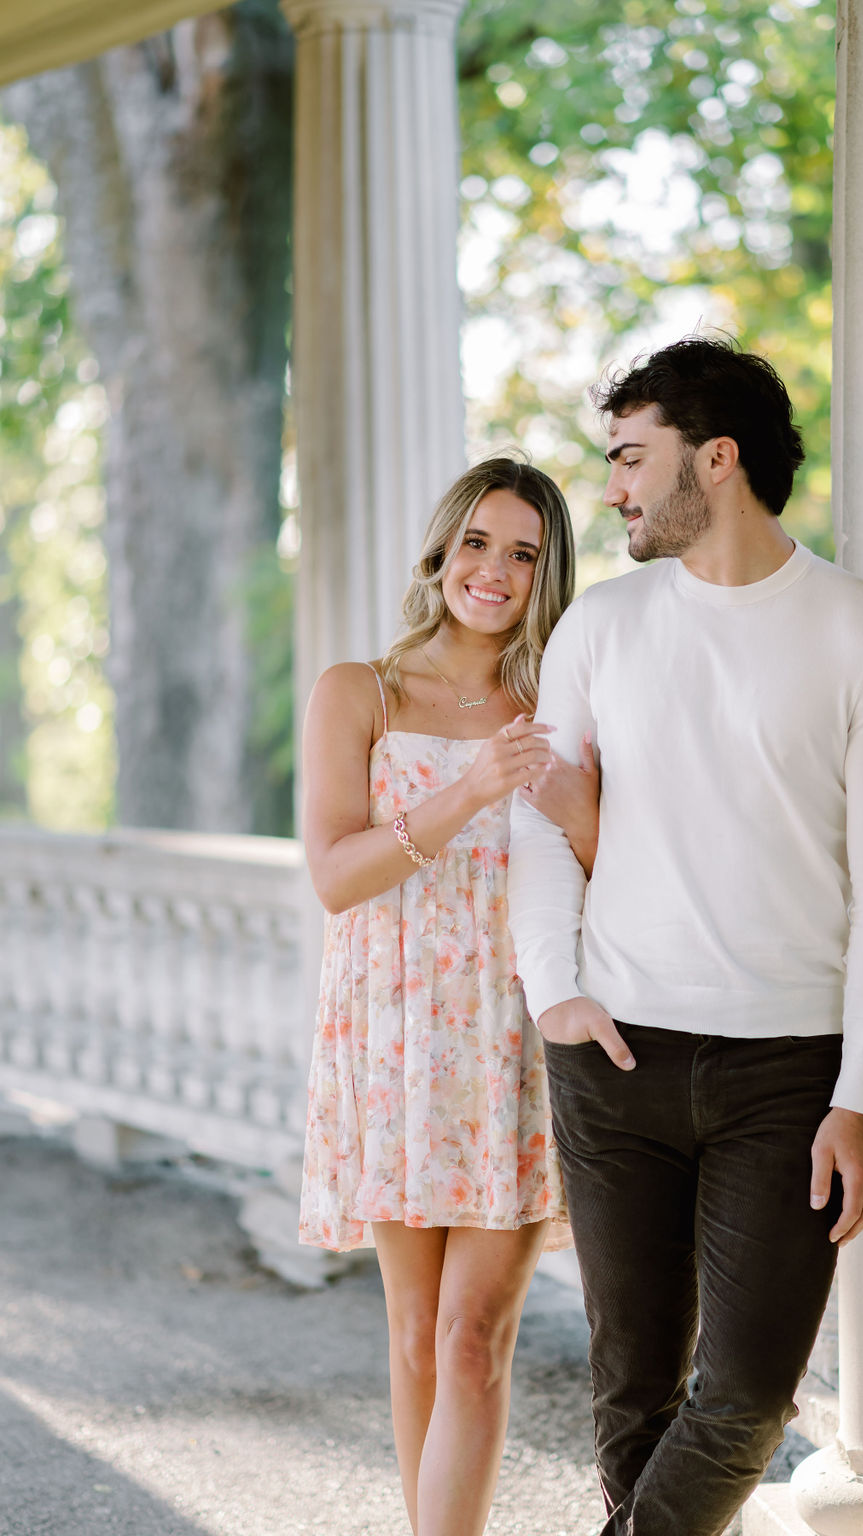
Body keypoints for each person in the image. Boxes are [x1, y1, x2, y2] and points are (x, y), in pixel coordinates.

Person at [507, 336, 863, 1536]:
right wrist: (555, 996)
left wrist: (861, 1096)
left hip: (785, 1077)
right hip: (614, 1053)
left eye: (630, 459)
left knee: (745, 1396)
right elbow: (542, 828)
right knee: (630, 1388)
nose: (612, 490)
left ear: (719, 457)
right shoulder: (599, 630)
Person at [298, 457, 596, 1536]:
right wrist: (471, 789)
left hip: (512, 1040)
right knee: (418, 1337)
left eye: (523, 553)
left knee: (476, 1335)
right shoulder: (360, 692)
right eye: (479, 541)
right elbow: (335, 877)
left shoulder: (559, 701)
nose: (495, 570)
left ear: (544, 573)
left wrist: (562, 792)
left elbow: (615, 864)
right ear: (442, 550)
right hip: (393, 1042)